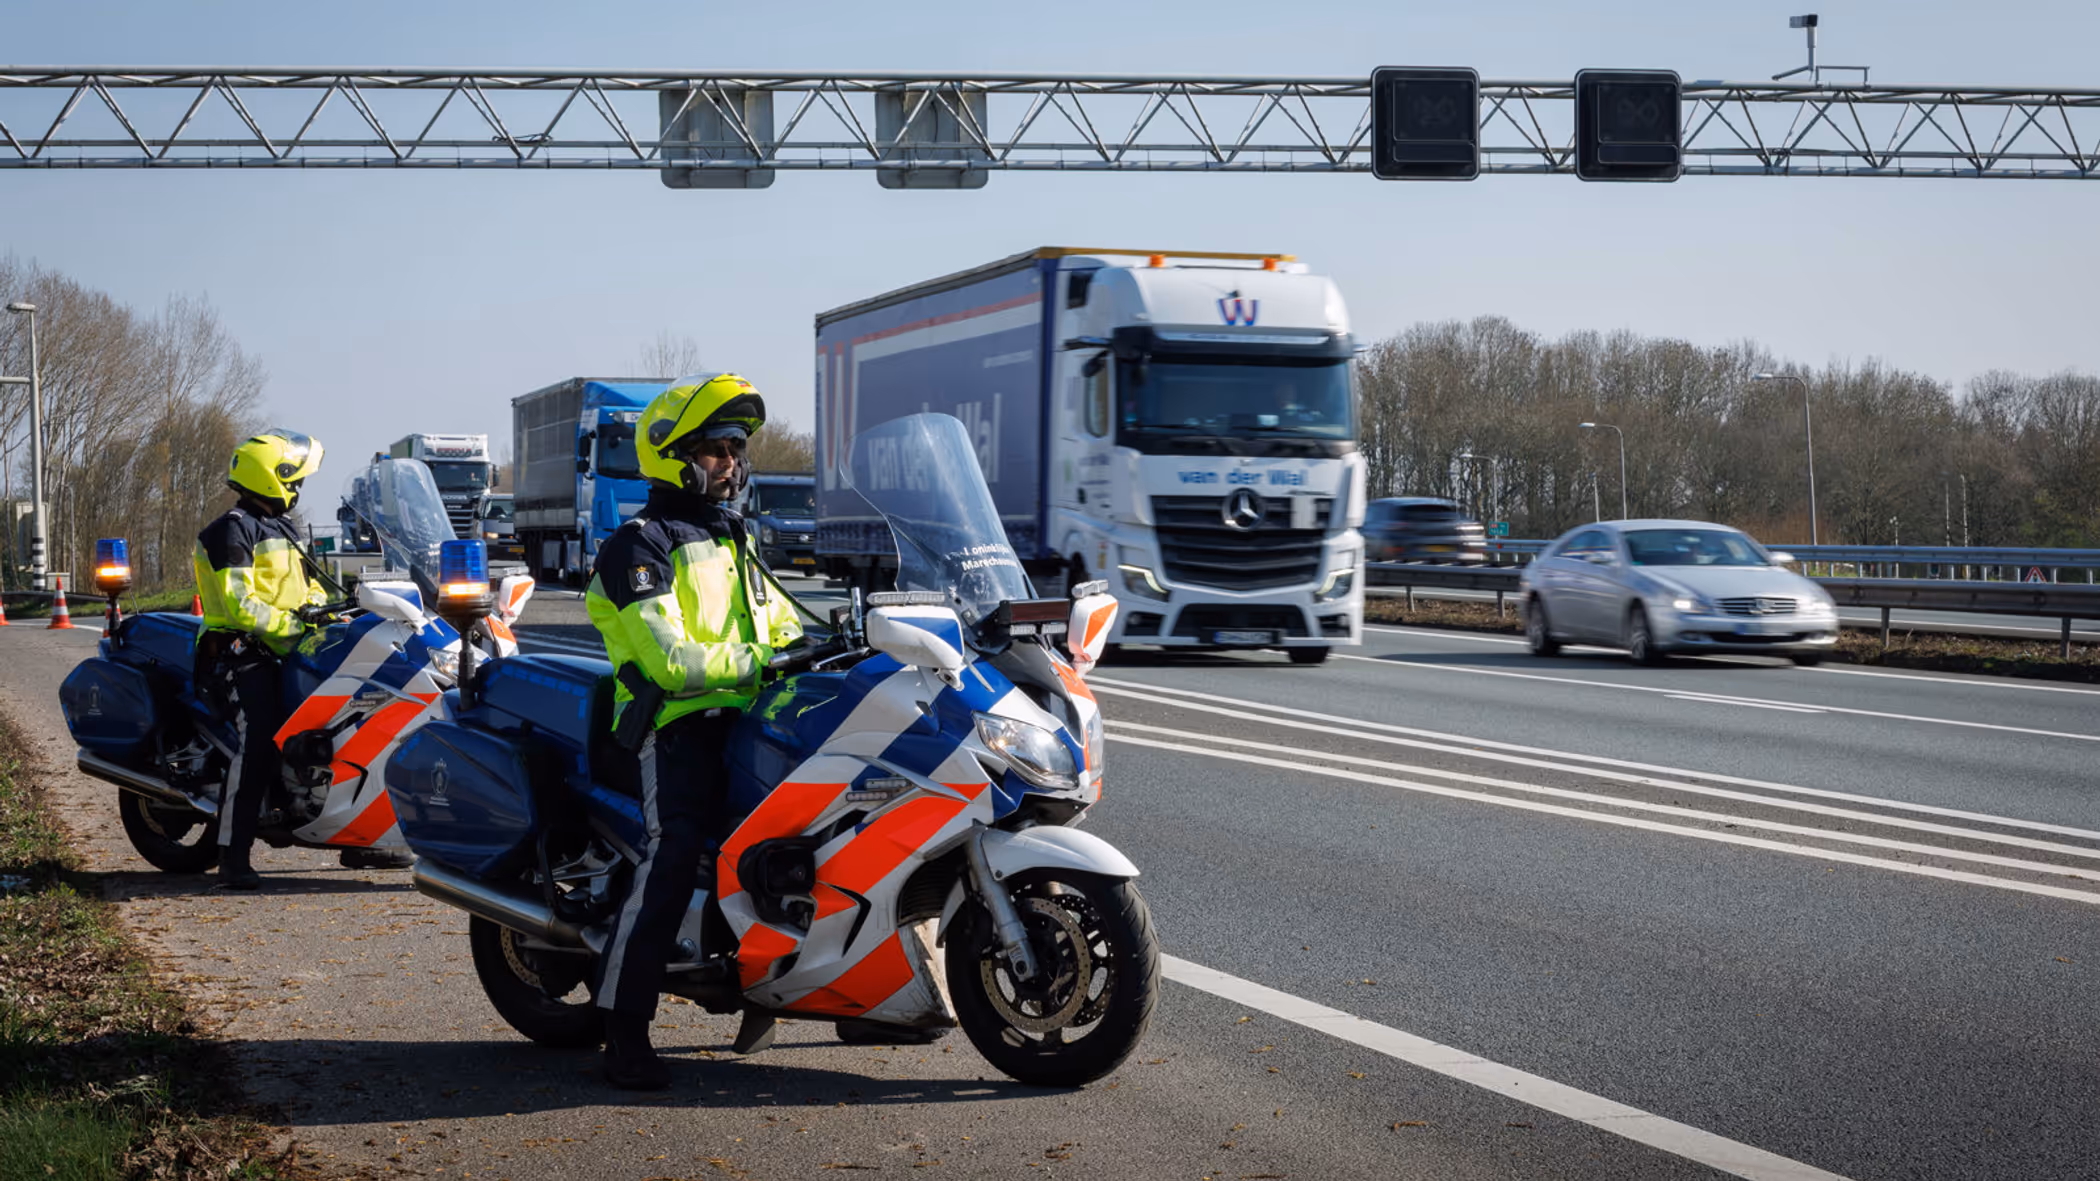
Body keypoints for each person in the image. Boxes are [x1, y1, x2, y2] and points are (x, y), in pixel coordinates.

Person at [584, 373, 803, 1090]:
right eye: (715, 448)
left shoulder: (733, 538)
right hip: (671, 731)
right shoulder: (637, 546)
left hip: (742, 723)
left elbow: (785, 625)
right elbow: (671, 660)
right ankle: (622, 1025)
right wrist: (762, 659)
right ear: (671, 454)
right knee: (672, 855)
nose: (731, 462)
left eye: (736, 448)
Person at [192, 428, 328, 891]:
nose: (299, 488)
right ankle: (233, 854)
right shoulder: (231, 530)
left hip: (284, 649)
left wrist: (321, 609)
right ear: (273, 478)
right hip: (238, 652)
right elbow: (239, 605)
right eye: (296, 479)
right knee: (260, 739)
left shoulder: (285, 528)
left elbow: (311, 586)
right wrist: (294, 626)